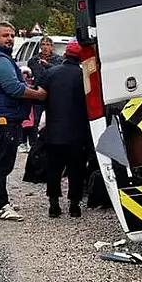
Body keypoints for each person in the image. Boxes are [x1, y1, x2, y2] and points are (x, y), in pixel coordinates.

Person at [0, 21, 46, 221]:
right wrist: (38, 94)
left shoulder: (0, 57)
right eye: (4, 35)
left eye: (11, 35)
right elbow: (14, 88)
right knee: (1, 164)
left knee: (2, 163)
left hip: (3, 119)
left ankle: (2, 201)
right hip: (2, 121)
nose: (9, 39)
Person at [40, 41, 94, 218]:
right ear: (80, 57)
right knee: (76, 170)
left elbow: (39, 96)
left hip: (54, 132)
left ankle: (53, 205)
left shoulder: (51, 73)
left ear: (64, 55)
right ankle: (75, 206)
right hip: (78, 134)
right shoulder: (84, 76)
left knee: (53, 169)